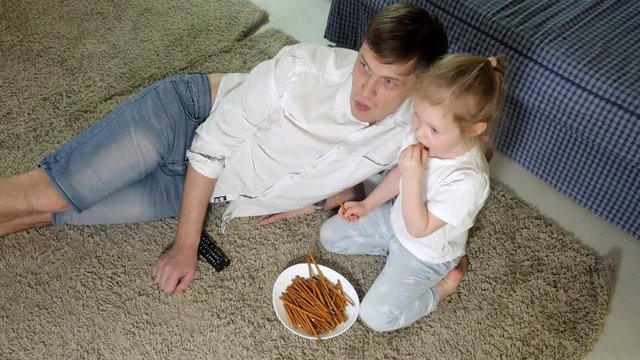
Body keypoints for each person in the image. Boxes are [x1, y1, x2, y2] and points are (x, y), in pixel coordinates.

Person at [0, 4, 449, 294]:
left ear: (421, 84)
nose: (365, 89)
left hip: (208, 189)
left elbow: (440, 190)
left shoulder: (414, 131)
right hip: (184, 120)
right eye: (363, 65)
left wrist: (318, 200)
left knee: (57, 215)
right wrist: (185, 244)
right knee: (50, 193)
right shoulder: (301, 69)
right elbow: (210, 148)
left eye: (388, 80)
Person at [320, 53, 507, 332]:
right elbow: (399, 176)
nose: (419, 131)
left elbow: (419, 228)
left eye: (433, 128)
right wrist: (369, 205)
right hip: (397, 225)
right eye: (417, 115)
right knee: (329, 236)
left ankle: (443, 287)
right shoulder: (422, 134)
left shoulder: (468, 180)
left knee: (375, 317)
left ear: (473, 129)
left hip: (426, 251)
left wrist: (414, 176)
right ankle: (391, 249)